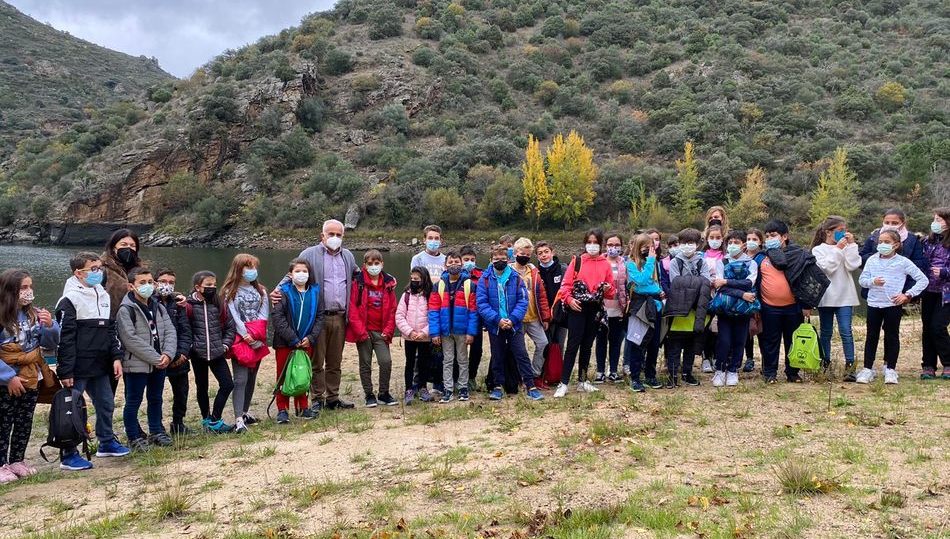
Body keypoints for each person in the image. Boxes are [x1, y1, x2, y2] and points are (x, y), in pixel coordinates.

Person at [271, 219, 357, 412]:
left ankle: (333, 397)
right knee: (317, 360)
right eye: (331, 234)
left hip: (341, 317)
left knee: (335, 360)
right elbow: (291, 274)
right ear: (322, 236)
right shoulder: (309, 254)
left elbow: (357, 274)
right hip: (317, 317)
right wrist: (277, 291)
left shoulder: (348, 256)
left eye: (339, 235)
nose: (335, 238)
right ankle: (318, 397)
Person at [55, 252, 130, 471]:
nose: (99, 272)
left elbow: (110, 329)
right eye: (93, 269)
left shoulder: (103, 294)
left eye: (100, 268)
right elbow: (64, 339)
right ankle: (69, 454)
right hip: (78, 365)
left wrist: (116, 357)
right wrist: (65, 370)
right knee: (73, 410)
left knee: (106, 403)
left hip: (100, 363)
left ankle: (106, 442)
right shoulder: (68, 300)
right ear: (78, 273)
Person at [0, 269, 59, 482]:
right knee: (3, 422)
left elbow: (49, 344)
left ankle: (17, 459)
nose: (29, 291)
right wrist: (8, 377)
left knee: (24, 420)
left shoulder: (34, 314)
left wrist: (51, 326)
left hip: (32, 376)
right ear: (10, 291)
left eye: (30, 286)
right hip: (8, 379)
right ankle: (1, 464)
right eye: (23, 287)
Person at [759, 220, 828, 384]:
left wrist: (806, 305)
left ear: (784, 236)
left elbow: (808, 280)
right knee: (770, 342)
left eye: (773, 235)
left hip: (793, 306)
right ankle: (769, 373)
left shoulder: (799, 254)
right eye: (767, 236)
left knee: (792, 340)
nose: (770, 238)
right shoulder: (761, 257)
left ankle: (792, 372)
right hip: (768, 307)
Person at [116, 267, 177, 451]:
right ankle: (133, 436)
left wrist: (167, 354)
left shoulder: (158, 306)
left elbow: (169, 330)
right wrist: (155, 357)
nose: (148, 286)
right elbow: (129, 339)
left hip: (160, 362)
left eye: (150, 282)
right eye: (142, 283)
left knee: (156, 398)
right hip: (137, 364)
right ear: (131, 286)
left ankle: (157, 430)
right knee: (133, 400)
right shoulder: (126, 309)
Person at [857, 230, 928, 384]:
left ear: (896, 245)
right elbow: (862, 280)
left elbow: (923, 279)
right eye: (880, 242)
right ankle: (867, 369)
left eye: (887, 242)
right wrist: (872, 282)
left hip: (893, 304)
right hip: (874, 303)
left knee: (892, 335)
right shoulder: (872, 260)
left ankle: (890, 369)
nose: (882, 245)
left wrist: (908, 295)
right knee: (871, 336)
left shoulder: (903, 262)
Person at [554, 229, 615, 398]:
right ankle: (564, 382)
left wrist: (609, 289)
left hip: (595, 309)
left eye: (596, 242)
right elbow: (565, 286)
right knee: (573, 345)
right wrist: (569, 300)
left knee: (587, 345)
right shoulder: (577, 261)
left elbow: (610, 292)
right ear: (585, 243)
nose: (593, 245)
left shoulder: (605, 264)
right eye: (590, 242)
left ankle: (582, 381)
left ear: (601, 244)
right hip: (577, 307)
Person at [477, 245, 542, 401]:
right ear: (491, 260)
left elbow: (523, 300)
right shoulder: (484, 279)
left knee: (521, 354)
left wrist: (512, 320)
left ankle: (530, 385)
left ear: (508, 259)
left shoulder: (516, 277)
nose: (500, 261)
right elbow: (481, 303)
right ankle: (497, 386)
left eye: (503, 259)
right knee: (497, 355)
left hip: (514, 325)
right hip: (495, 325)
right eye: (496, 259)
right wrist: (497, 320)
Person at [271, 259, 324, 423]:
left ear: (309, 274)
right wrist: (292, 338)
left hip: (306, 342)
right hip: (285, 343)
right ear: (290, 274)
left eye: (305, 271)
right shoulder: (283, 292)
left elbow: (320, 317)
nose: (301, 274)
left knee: (303, 374)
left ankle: (303, 407)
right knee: (283, 375)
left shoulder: (315, 292)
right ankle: (282, 410)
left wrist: (311, 337)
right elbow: (278, 318)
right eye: (297, 271)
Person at [222, 254, 270, 433]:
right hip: (239, 339)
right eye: (248, 267)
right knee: (240, 379)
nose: (252, 271)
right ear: (238, 269)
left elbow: (263, 314)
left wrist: (256, 334)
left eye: (254, 267)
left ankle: (245, 411)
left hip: (257, 338)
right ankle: (238, 419)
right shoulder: (229, 291)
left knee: (252, 377)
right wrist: (245, 334)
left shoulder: (261, 291)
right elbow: (232, 315)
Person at [811, 216, 861, 381]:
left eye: (845, 230)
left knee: (846, 331)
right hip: (826, 297)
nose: (843, 233)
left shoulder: (847, 247)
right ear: (828, 232)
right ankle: (825, 363)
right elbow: (827, 268)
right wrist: (838, 249)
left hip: (845, 295)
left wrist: (852, 245)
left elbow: (853, 265)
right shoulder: (818, 250)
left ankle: (850, 366)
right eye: (840, 230)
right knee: (826, 332)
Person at [346, 250, 398, 408]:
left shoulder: (388, 284)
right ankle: (369, 394)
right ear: (364, 265)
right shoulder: (358, 282)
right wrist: (360, 331)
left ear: (382, 264)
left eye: (376, 263)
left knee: (386, 361)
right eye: (370, 264)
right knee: (365, 363)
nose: (373, 266)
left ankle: (384, 393)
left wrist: (389, 330)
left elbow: (392, 310)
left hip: (381, 331)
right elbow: (352, 308)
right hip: (364, 331)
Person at [186, 271, 236, 433]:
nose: (212, 288)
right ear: (197, 287)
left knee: (227, 384)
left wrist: (225, 345)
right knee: (202, 386)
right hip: (198, 353)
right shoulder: (188, 305)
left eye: (214, 285)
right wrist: (192, 346)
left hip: (217, 351)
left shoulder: (219, 303)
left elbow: (230, 327)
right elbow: (185, 328)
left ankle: (215, 419)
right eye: (208, 285)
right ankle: (206, 419)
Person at [663, 229, 713, 387]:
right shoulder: (675, 262)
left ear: (698, 244)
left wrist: (690, 283)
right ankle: (672, 375)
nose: (687, 246)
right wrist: (696, 282)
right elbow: (676, 283)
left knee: (691, 345)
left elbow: (706, 283)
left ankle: (687, 373)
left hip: (695, 310)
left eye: (690, 243)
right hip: (678, 310)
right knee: (675, 345)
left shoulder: (702, 262)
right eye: (683, 243)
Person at [428, 252, 478, 403]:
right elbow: (433, 310)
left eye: (456, 262)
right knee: (447, 360)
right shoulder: (439, 285)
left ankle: (463, 388)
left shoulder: (469, 285)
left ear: (461, 265)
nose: (453, 265)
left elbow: (473, 311)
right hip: (445, 331)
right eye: (450, 262)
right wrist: (435, 332)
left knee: (463, 359)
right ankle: (448, 389)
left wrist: (471, 332)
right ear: (445, 265)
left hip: (462, 330)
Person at [710, 231, 758, 387]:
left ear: (743, 244)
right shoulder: (722, 262)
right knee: (724, 340)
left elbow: (749, 283)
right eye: (730, 242)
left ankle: (733, 370)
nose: (732, 246)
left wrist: (726, 281)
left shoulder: (751, 263)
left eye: (736, 242)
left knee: (739, 340)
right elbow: (719, 286)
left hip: (743, 311)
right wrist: (742, 294)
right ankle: (720, 369)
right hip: (725, 309)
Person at [155, 269, 194, 435]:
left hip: (179, 356)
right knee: (155, 394)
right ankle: (156, 427)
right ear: (155, 282)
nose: (167, 285)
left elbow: (186, 330)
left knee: (181, 391)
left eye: (171, 282)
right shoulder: (149, 302)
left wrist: (183, 353)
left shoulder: (178, 304)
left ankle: (178, 423)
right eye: (163, 281)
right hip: (157, 357)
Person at [624, 234, 664, 392]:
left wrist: (659, 291)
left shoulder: (653, 263)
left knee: (654, 343)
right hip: (640, 306)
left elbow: (654, 281)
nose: (648, 250)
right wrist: (650, 261)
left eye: (651, 246)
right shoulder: (631, 264)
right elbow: (641, 280)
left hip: (655, 304)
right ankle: (635, 377)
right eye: (645, 246)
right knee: (637, 342)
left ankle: (650, 375)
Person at [511, 238, 551, 387]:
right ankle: (522, 377)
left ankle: (535, 374)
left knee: (543, 343)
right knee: (520, 350)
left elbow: (541, 295)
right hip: (517, 318)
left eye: (528, 254)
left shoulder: (534, 272)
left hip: (534, 316)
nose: (525, 257)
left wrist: (546, 317)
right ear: (515, 253)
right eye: (522, 253)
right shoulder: (509, 271)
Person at [859, 209, 929, 290]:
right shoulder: (874, 237)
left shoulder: (912, 239)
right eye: (887, 222)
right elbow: (862, 258)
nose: (890, 225)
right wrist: (878, 258)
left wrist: (908, 292)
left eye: (895, 223)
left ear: (903, 223)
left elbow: (919, 264)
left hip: (900, 288)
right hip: (875, 288)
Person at [396, 267, 434, 404]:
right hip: (409, 337)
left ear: (424, 279)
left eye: (417, 279)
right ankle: (409, 389)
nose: (414, 282)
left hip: (424, 337)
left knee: (424, 363)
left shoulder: (430, 295)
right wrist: (409, 332)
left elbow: (434, 316)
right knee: (410, 363)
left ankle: (423, 387)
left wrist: (424, 332)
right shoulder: (406, 295)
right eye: (412, 279)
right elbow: (399, 316)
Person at [921, 209, 950, 380]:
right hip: (929, 291)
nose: (935, 222)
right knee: (927, 328)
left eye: (939, 219)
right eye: (934, 219)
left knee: (938, 326)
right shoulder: (927, 241)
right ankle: (928, 365)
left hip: (946, 292)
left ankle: (948, 363)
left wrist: (945, 272)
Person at [594, 232, 627, 384]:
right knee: (601, 340)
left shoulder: (625, 263)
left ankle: (613, 371)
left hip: (619, 308)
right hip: (602, 309)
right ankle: (600, 371)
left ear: (621, 246)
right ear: (605, 246)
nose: (613, 248)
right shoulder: (599, 262)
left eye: (617, 245)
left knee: (616, 341)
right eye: (610, 245)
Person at [700, 225, 726, 373]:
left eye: (718, 238)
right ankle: (705, 357)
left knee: (718, 327)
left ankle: (718, 355)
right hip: (706, 295)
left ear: (722, 239)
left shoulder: (725, 255)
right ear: (707, 239)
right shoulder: (702, 256)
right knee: (705, 327)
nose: (715, 240)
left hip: (721, 295)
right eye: (712, 238)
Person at [460, 245, 484, 391]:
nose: (469, 262)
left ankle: (471, 377)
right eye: (466, 259)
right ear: (460, 260)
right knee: (459, 350)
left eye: (472, 259)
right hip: (460, 317)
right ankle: (458, 378)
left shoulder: (482, 274)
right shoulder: (454, 274)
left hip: (477, 318)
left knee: (477, 349)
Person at [536, 241, 568, 351]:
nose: (543, 255)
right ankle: (544, 368)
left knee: (559, 345)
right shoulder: (536, 273)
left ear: (552, 252)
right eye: (540, 253)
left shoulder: (563, 269)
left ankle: (559, 367)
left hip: (561, 314)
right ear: (537, 256)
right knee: (545, 345)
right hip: (544, 315)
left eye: (546, 252)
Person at [742, 229, 766, 373]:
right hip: (745, 298)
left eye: (754, 239)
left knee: (762, 331)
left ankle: (765, 359)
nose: (751, 242)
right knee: (747, 330)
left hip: (761, 298)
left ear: (760, 242)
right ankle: (749, 358)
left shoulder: (763, 258)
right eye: (748, 238)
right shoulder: (741, 257)